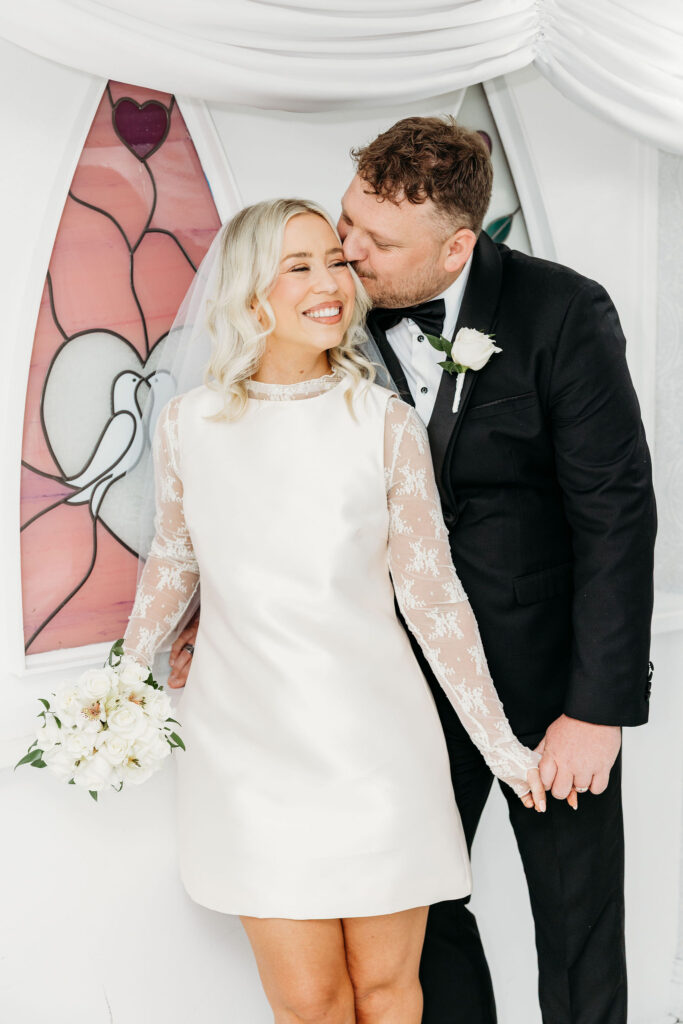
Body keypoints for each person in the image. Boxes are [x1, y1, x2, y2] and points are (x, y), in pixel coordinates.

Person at [169, 119, 657, 1024]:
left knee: (575, 917)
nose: (348, 256)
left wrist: (597, 709)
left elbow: (616, 515)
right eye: (346, 225)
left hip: (543, 675)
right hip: (390, 692)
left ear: (455, 248)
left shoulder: (561, 312)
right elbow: (272, 475)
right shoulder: (328, 308)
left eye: (377, 243)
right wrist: (212, 603)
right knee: (419, 922)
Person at [122, 197, 547, 1024]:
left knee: (387, 993)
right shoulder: (187, 425)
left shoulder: (383, 424)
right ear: (251, 293)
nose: (330, 284)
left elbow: (431, 594)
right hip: (246, 755)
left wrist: (500, 745)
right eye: (300, 266)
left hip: (377, 751)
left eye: (336, 263)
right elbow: (173, 561)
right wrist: (120, 687)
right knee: (310, 1001)